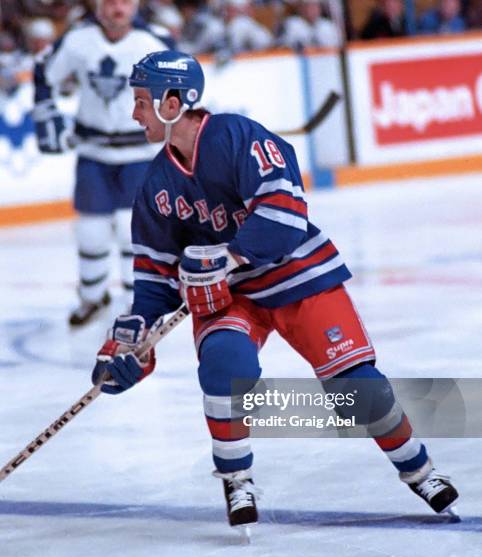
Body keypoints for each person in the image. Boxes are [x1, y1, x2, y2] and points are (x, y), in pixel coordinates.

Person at [91, 50, 459, 531]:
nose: (134, 113)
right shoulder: (157, 183)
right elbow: (154, 273)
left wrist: (228, 257)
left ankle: (419, 469)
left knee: (356, 384)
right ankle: (236, 480)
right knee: (225, 363)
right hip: (232, 296)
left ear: (174, 102)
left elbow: (286, 212)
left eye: (142, 101)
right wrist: (130, 341)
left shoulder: (238, 137)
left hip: (296, 273)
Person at [33, 0, 172, 326]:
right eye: (110, 2)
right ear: (97, 7)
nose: (117, 8)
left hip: (139, 155)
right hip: (93, 153)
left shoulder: (153, 43)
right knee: (90, 231)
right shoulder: (78, 39)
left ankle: (138, 305)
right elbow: (45, 72)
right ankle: (92, 298)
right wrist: (45, 113)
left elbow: (183, 88)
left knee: (132, 232)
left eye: (124, 1)